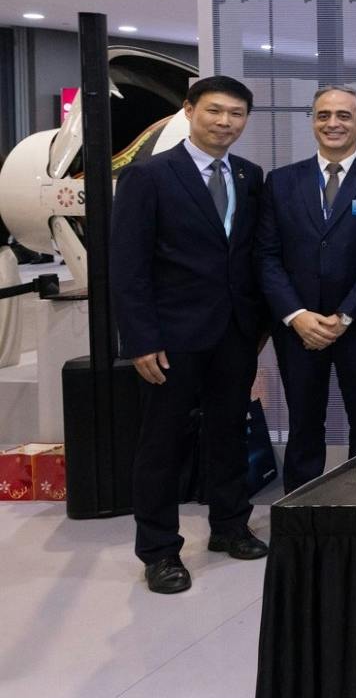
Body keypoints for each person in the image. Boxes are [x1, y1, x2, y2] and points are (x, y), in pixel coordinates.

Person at [109, 76, 268, 594]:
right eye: (215, 111)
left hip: (235, 333)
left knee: (228, 432)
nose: (225, 122)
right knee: (161, 443)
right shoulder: (149, 176)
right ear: (189, 111)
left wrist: (260, 328)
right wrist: (139, 339)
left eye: (236, 114)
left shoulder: (249, 175)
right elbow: (128, 266)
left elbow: (247, 257)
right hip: (170, 337)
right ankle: (158, 551)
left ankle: (228, 526)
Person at [256, 85, 356, 491]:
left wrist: (344, 316)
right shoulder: (281, 181)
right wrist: (296, 315)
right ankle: (303, 510)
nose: (332, 123)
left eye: (343, 115)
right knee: (304, 420)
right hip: (297, 325)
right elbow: (266, 256)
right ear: (313, 121)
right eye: (323, 115)